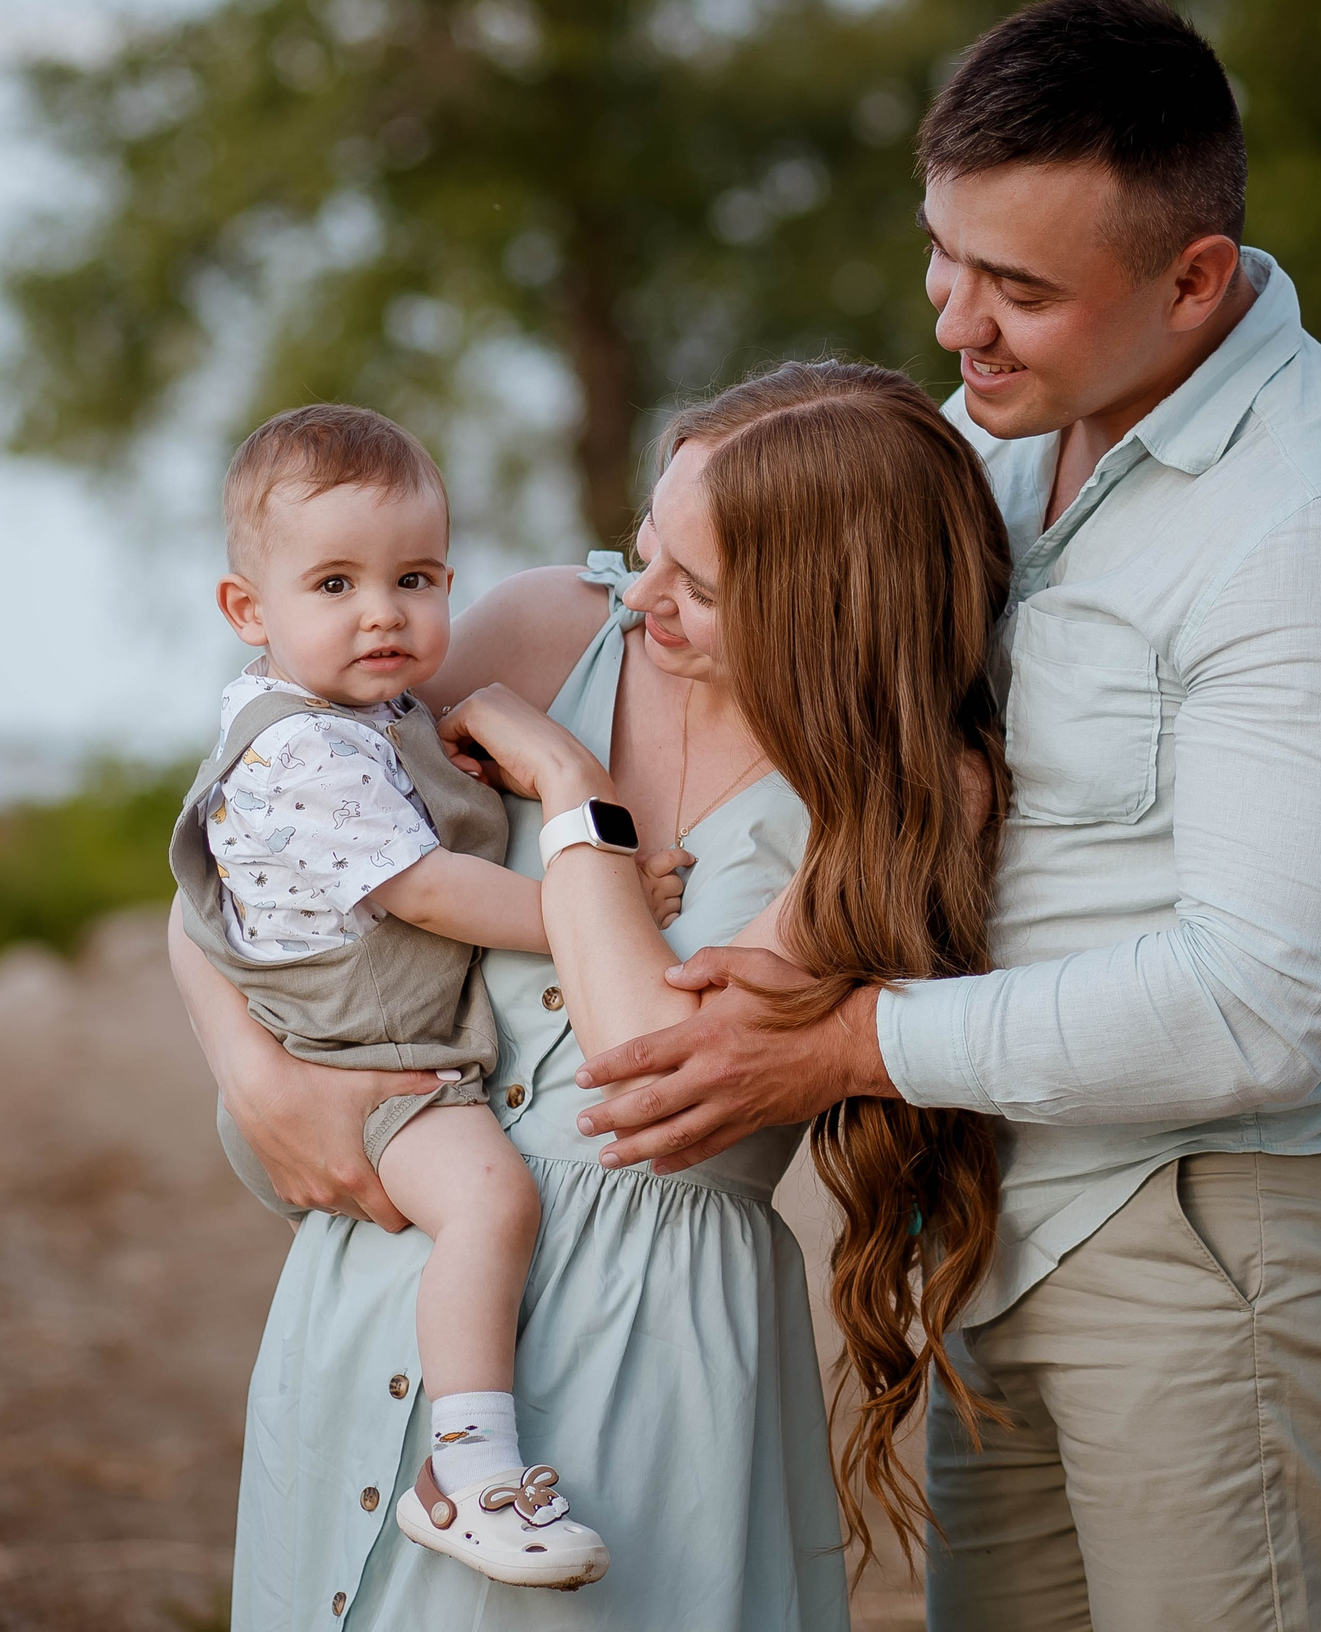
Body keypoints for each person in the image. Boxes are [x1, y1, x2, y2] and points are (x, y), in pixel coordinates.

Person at [572, 0, 1321, 1632]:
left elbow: (1261, 1002)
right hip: (1015, 1217)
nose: (958, 324)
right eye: (946, 258)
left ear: (1195, 278)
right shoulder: (1002, 447)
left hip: (1230, 1239)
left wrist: (844, 1045)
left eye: (1020, 289)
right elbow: (722, 619)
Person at [168, 361, 1015, 1630]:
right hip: (391, 1262)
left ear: (827, 605)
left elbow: (650, 1061)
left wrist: (569, 786)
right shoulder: (541, 628)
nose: (642, 599)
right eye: (645, 544)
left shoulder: (908, 793)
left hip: (651, 1321)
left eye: (697, 583)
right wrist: (254, 1071)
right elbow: (250, 862)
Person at [170, 405, 683, 1590]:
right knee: (492, 1203)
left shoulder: (376, 716)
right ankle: (470, 1468)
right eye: (335, 583)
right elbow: (435, 891)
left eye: (414, 577)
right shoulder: (300, 747)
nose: (383, 613)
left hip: (393, 1032)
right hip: (364, 1055)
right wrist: (604, 896)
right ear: (250, 612)